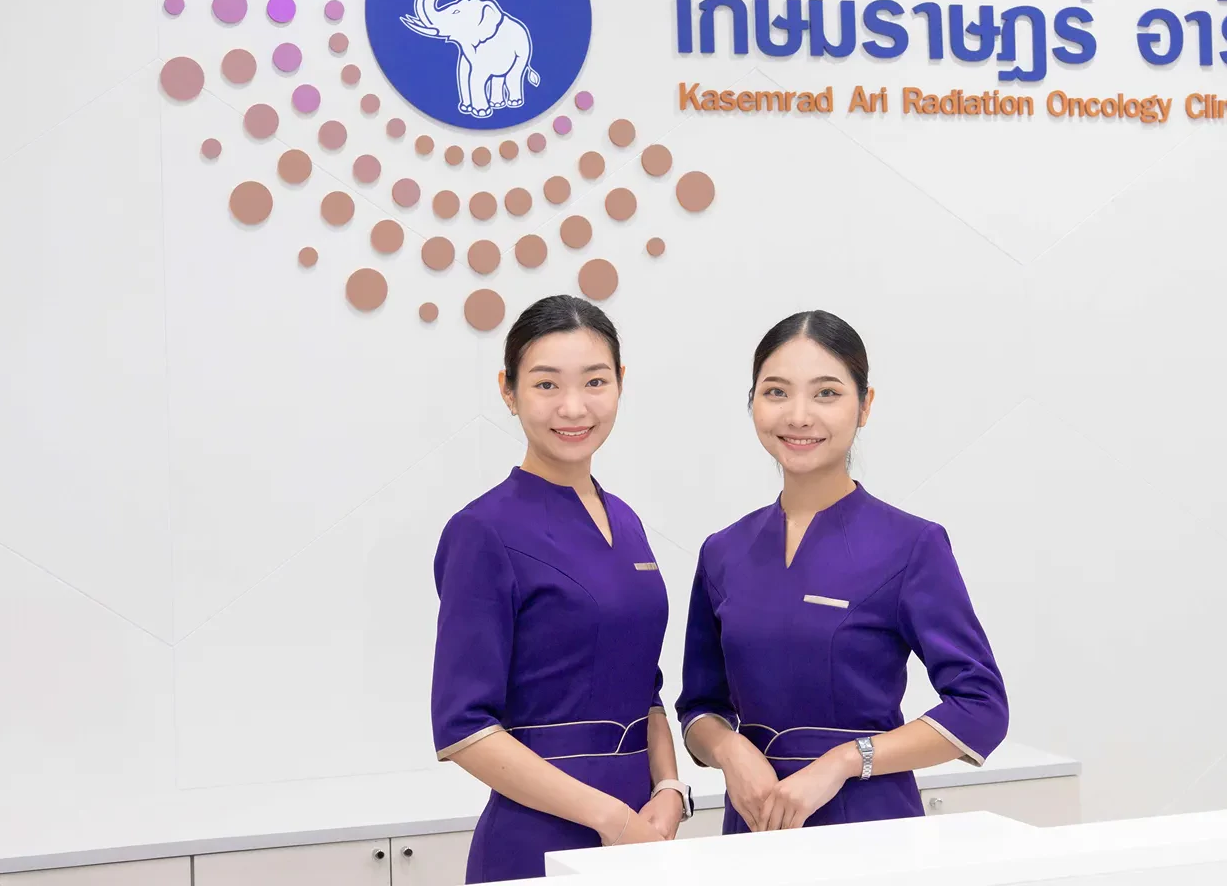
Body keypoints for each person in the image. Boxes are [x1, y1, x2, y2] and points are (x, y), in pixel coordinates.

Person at [677, 310, 1009, 833]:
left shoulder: (911, 545)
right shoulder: (723, 551)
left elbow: (981, 707)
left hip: (869, 828)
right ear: (753, 401)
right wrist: (729, 749)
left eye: (826, 393)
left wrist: (846, 761)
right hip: (754, 829)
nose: (799, 416)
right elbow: (700, 708)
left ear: (865, 405)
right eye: (776, 392)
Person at [431, 296, 692, 883]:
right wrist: (610, 819)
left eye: (595, 382)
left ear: (620, 383)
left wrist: (670, 789)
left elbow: (643, 685)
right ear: (508, 390)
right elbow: (463, 727)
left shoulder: (625, 520)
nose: (573, 407)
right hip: (539, 841)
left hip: (643, 835)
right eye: (546, 384)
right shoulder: (483, 530)